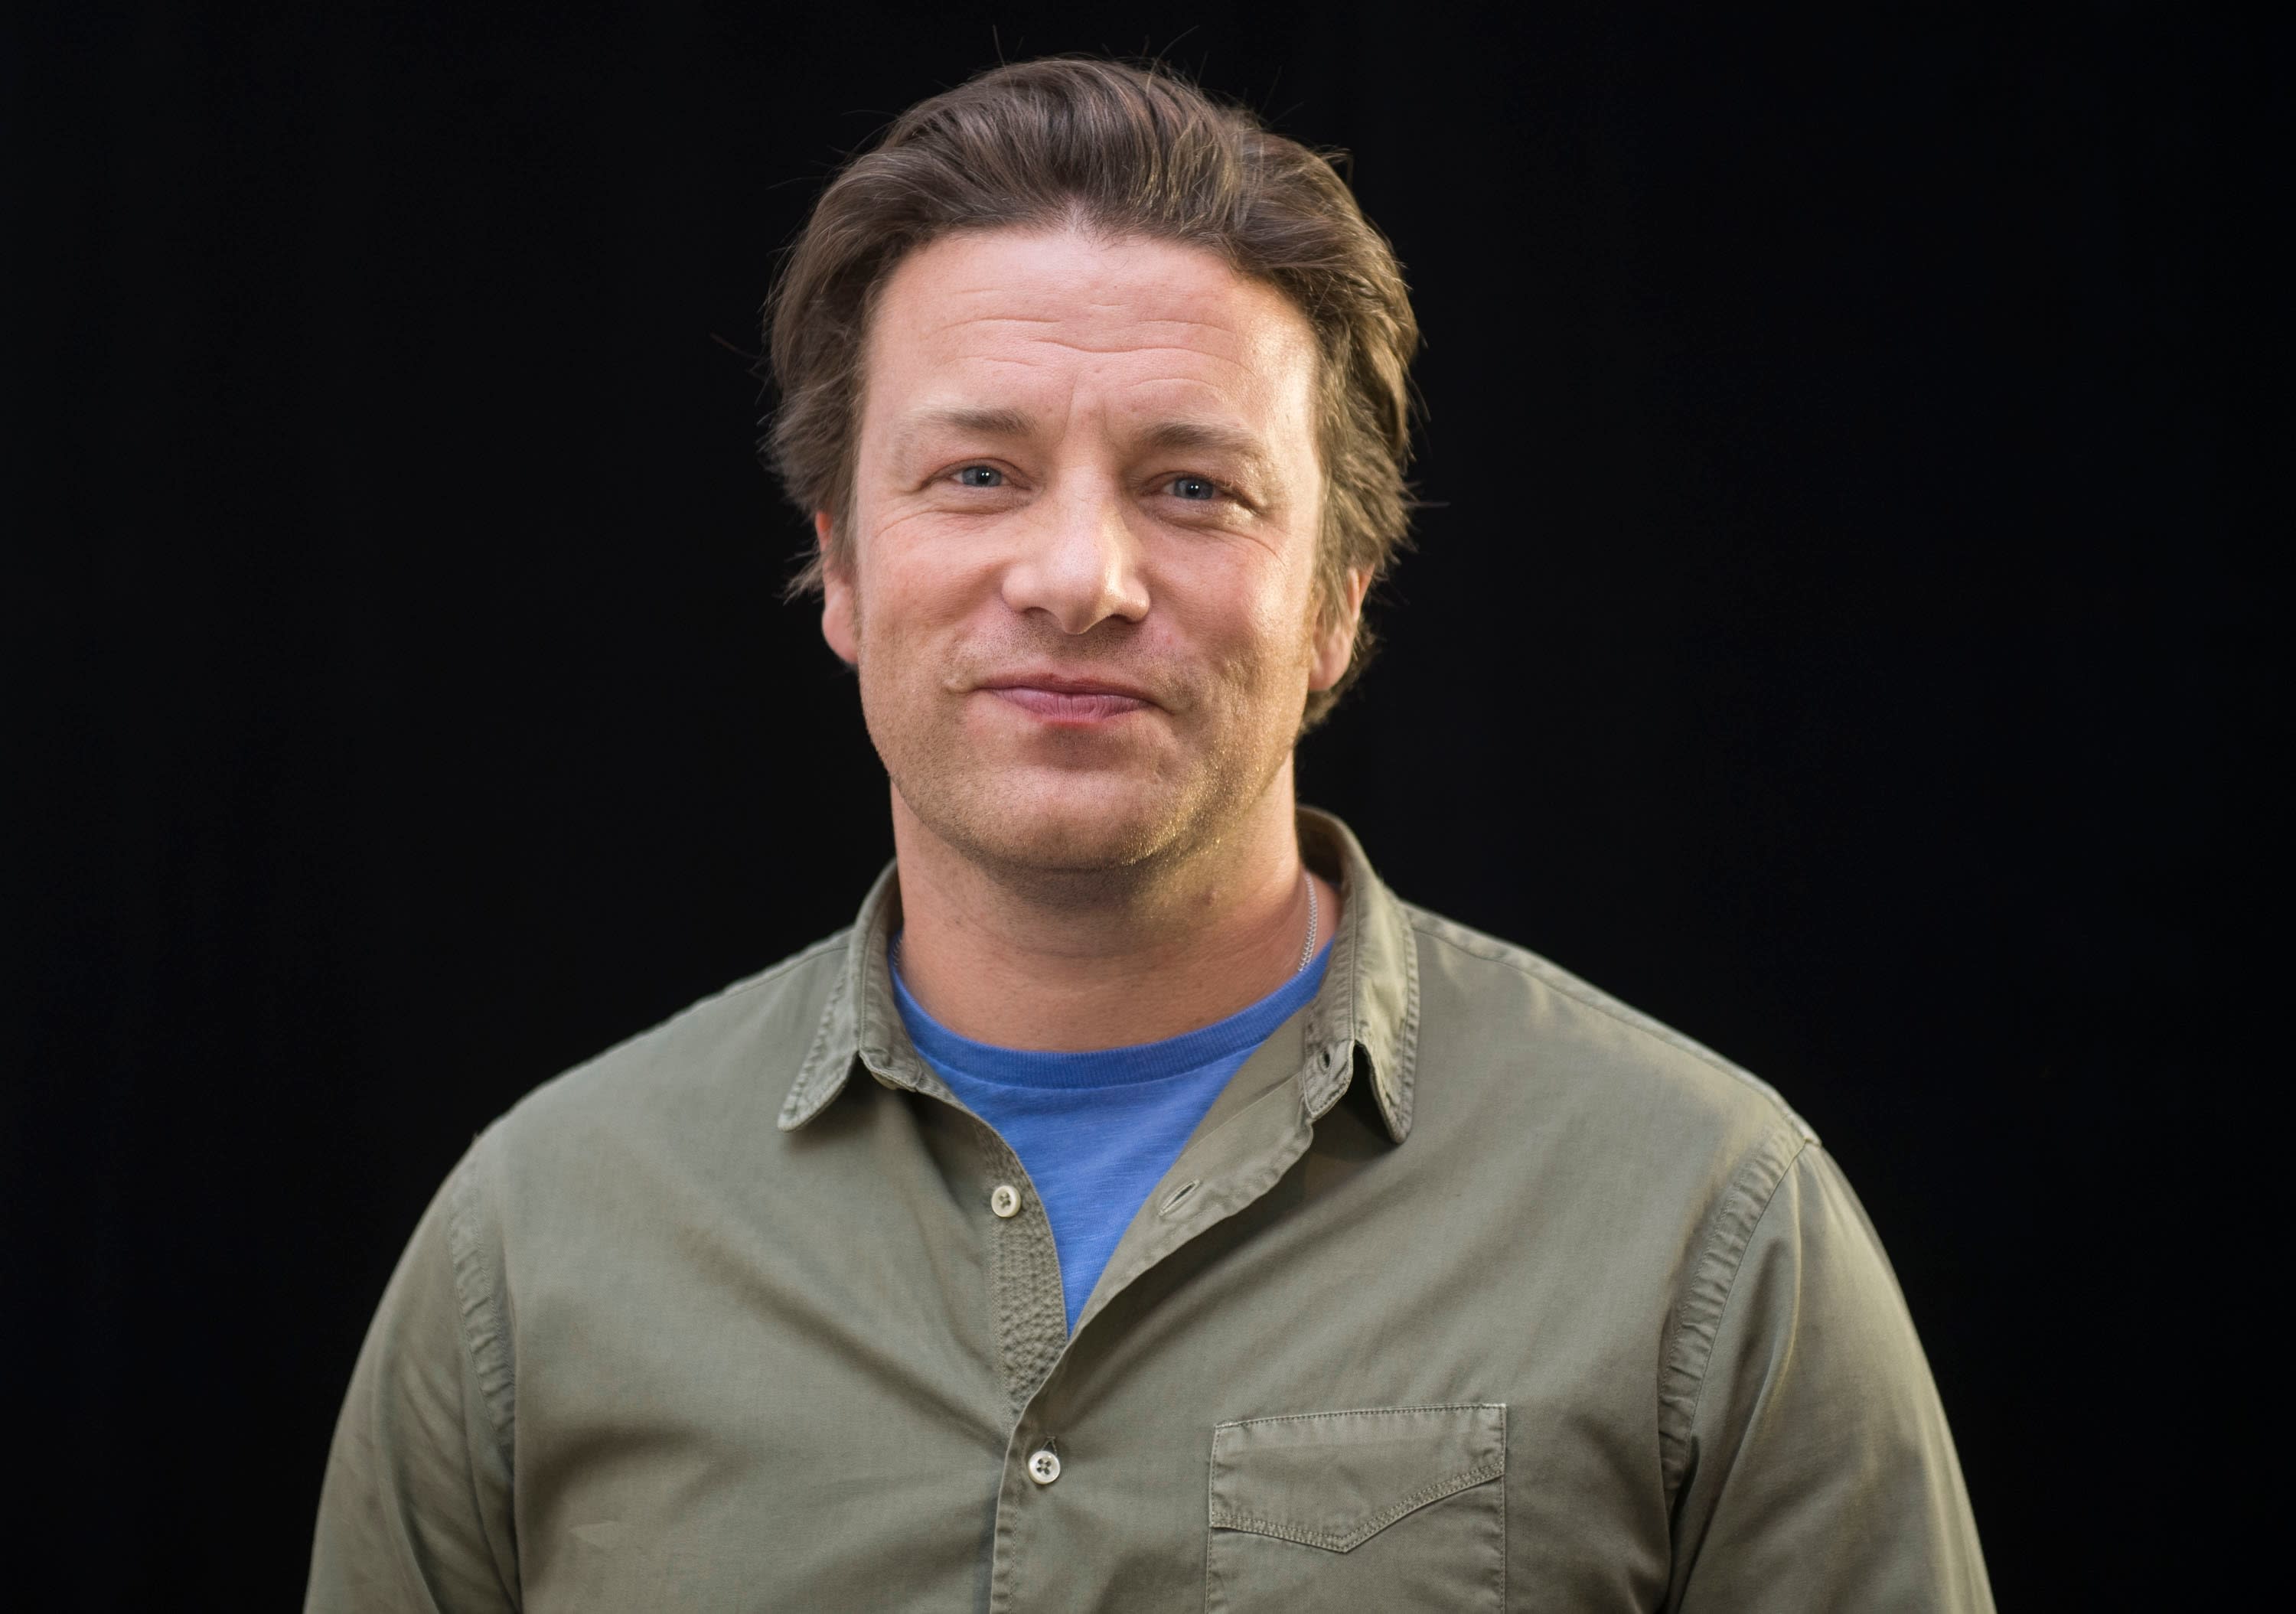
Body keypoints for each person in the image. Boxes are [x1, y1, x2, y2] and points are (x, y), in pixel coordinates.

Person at [307, 57, 1991, 1612]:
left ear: (1337, 599)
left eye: (1193, 486)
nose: (1078, 577)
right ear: (841, 564)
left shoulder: (1706, 1222)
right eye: (978, 473)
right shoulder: (534, 1247)